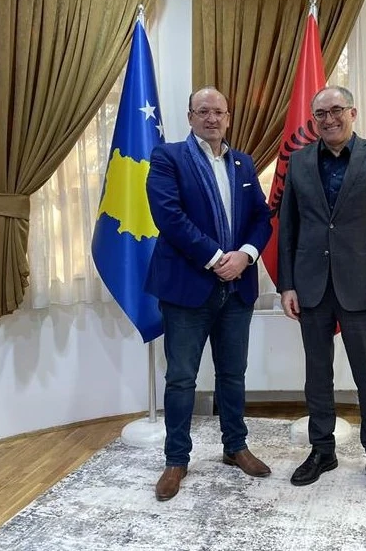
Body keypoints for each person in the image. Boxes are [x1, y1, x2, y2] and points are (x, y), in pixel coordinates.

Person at [277, 85, 366, 497]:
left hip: (363, 289)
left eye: (336, 110)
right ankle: (322, 451)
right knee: (317, 376)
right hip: (311, 287)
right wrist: (287, 284)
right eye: (320, 113)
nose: (329, 119)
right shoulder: (299, 162)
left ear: (352, 112)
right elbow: (288, 228)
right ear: (313, 120)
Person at [145, 86, 273, 501]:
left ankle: (235, 447)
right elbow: (169, 216)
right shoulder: (168, 157)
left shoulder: (243, 162)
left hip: (237, 288)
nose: (212, 118)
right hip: (187, 289)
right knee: (181, 378)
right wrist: (218, 258)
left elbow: (261, 217)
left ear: (228, 118)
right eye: (203, 111)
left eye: (219, 111)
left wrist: (246, 255)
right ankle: (176, 460)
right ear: (190, 117)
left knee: (233, 374)